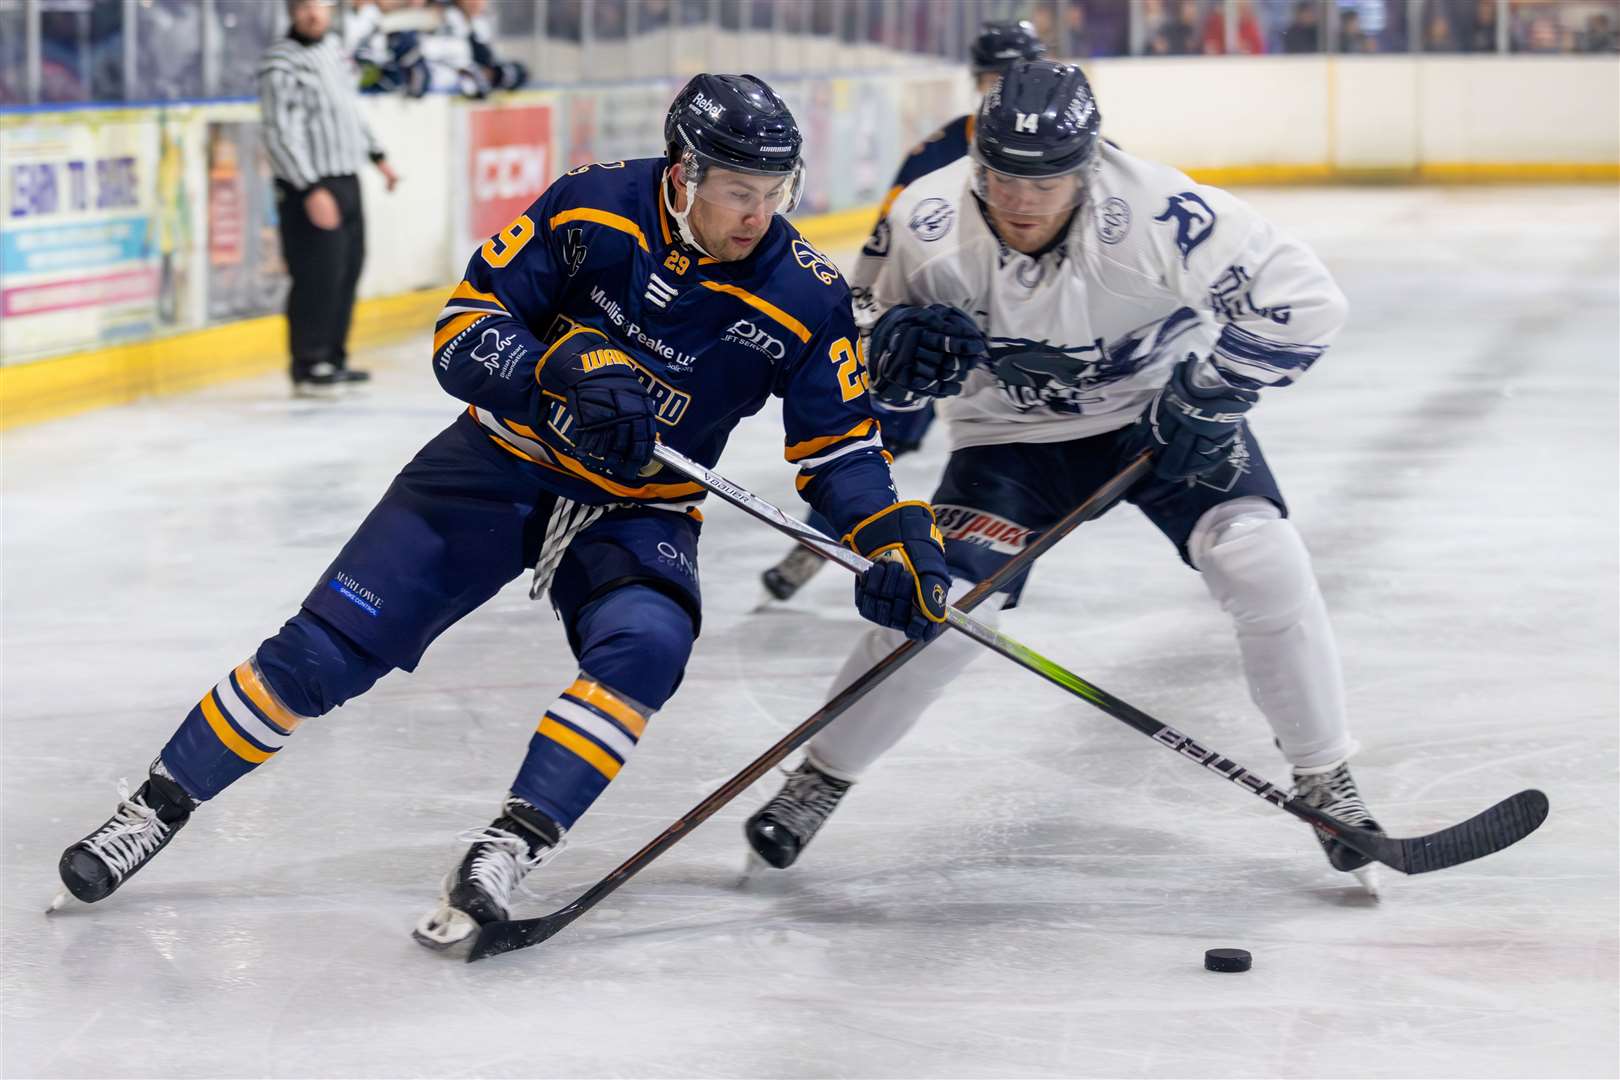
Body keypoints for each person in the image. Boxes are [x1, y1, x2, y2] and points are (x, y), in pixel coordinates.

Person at [50, 74, 951, 953]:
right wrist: (552, 372)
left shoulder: (803, 294)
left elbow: (839, 452)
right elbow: (464, 326)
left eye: (775, 192)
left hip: (637, 508)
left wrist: (890, 538)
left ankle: (509, 845)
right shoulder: (591, 206)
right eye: (737, 192)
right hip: (495, 465)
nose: (759, 215)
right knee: (320, 653)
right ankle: (154, 807)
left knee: (647, 646)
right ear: (683, 174)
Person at [743, 60, 1382, 887]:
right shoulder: (926, 220)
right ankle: (818, 780)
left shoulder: (1161, 212)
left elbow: (1305, 300)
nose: (1019, 199)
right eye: (1002, 174)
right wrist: (893, 353)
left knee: (1262, 559)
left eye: (1045, 181)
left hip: (1157, 421)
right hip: (1007, 442)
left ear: (1089, 163)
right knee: (944, 610)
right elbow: (846, 342)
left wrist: (1214, 393)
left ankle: (1327, 779)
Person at [758, 19, 1046, 604]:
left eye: (1020, 74)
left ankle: (993, 565)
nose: (1007, 87)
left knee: (1026, 450)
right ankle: (821, 543)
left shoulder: (1063, 152)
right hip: (934, 335)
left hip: (1021, 336)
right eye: (997, 75)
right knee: (879, 436)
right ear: (977, 79)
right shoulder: (935, 154)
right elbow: (887, 252)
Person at [259, 0, 400, 395]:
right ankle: (309, 362)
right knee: (317, 273)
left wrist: (378, 157)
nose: (312, 13)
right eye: (303, 6)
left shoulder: (333, 49)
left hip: (346, 175)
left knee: (347, 267)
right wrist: (307, 188)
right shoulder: (280, 62)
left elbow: (349, 112)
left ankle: (334, 355)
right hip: (311, 184)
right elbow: (279, 131)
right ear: (291, 11)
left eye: (318, 5)